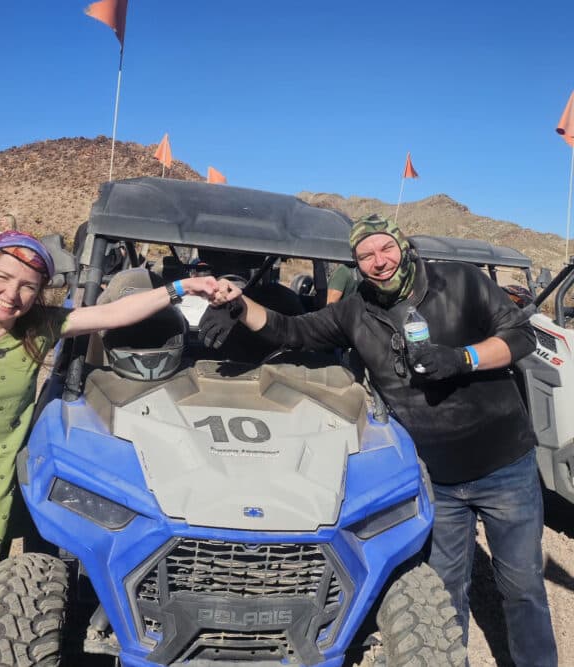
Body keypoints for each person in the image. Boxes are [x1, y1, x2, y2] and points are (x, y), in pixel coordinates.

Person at [203, 214, 557, 665]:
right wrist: (241, 306)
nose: (379, 261)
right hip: (435, 477)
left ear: (403, 246)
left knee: (522, 587)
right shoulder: (356, 311)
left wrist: (462, 358)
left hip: (503, 465)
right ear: (356, 264)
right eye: (366, 255)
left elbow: (521, 336)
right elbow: (294, 330)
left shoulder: (461, 281)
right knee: (444, 592)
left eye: (386, 248)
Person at [0, 229, 219, 667]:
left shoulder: (39, 330)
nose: (11, 294)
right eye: (3, 278)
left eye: (27, 286)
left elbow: (116, 313)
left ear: (38, 294)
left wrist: (182, 287)